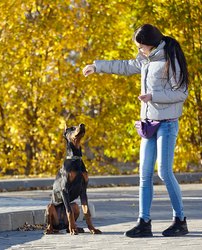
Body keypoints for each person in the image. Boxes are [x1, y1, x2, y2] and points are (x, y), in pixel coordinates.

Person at [82, 24, 189, 237]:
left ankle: (180, 220)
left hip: (167, 124)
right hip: (149, 124)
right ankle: (144, 222)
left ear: (152, 44)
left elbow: (182, 93)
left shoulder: (170, 59)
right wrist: (97, 66)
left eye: (142, 47)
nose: (139, 50)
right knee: (144, 174)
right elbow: (125, 66)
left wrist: (153, 97)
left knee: (164, 172)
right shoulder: (146, 59)